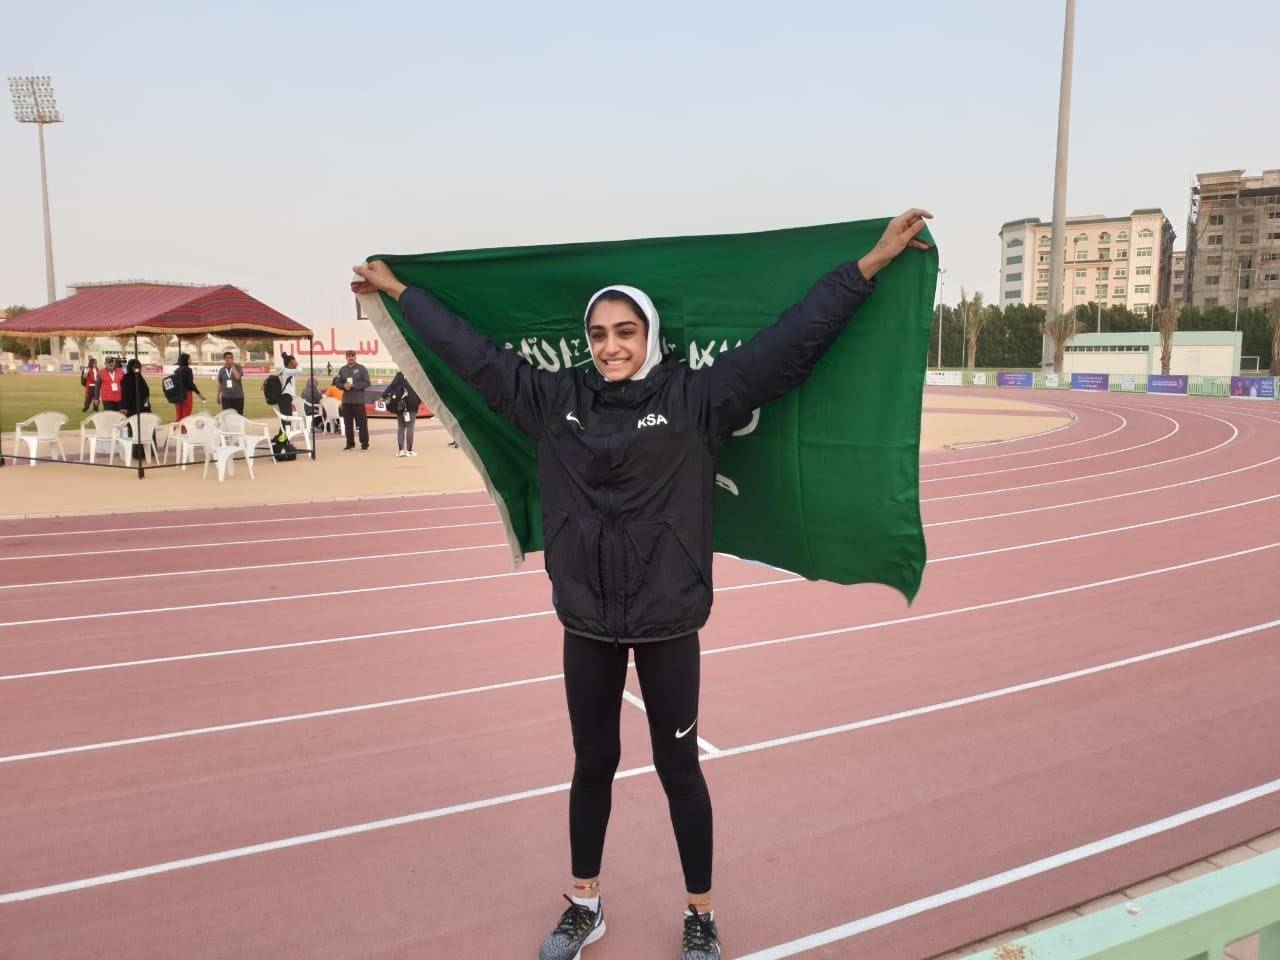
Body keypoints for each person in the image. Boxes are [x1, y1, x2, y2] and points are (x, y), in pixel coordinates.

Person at [351, 208, 932, 960]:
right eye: (598, 334)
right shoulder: (552, 402)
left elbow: (790, 344)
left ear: (649, 335)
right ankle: (585, 904)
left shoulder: (697, 400)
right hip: (586, 622)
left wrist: (869, 266)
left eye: (625, 331)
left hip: (667, 622)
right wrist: (401, 293)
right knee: (592, 765)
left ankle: (701, 915)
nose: (611, 346)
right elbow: (474, 357)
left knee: (678, 768)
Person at [333, 349, 371, 450]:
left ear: (355, 357)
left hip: (358, 401)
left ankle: (364, 444)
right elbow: (337, 383)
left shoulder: (361, 369)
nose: (351, 358)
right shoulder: (342, 370)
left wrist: (354, 386)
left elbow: (367, 383)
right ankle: (350, 444)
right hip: (347, 401)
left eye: (352, 356)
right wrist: (343, 386)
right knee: (348, 424)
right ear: (346, 357)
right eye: (349, 356)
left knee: (362, 424)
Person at [382, 370, 422, 457]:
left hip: (400, 403)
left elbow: (391, 386)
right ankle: (409, 450)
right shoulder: (416, 373)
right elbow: (421, 388)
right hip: (412, 403)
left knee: (401, 426)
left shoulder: (400, 374)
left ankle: (401, 450)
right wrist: (419, 400)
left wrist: (383, 396)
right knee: (410, 427)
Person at [171, 353, 204, 421]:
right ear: (186, 360)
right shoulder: (188, 370)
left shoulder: (177, 371)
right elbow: (190, 384)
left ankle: (177, 430)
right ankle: (184, 431)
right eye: (189, 358)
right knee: (186, 416)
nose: (191, 360)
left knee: (178, 416)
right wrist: (199, 394)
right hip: (186, 394)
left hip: (177, 394)